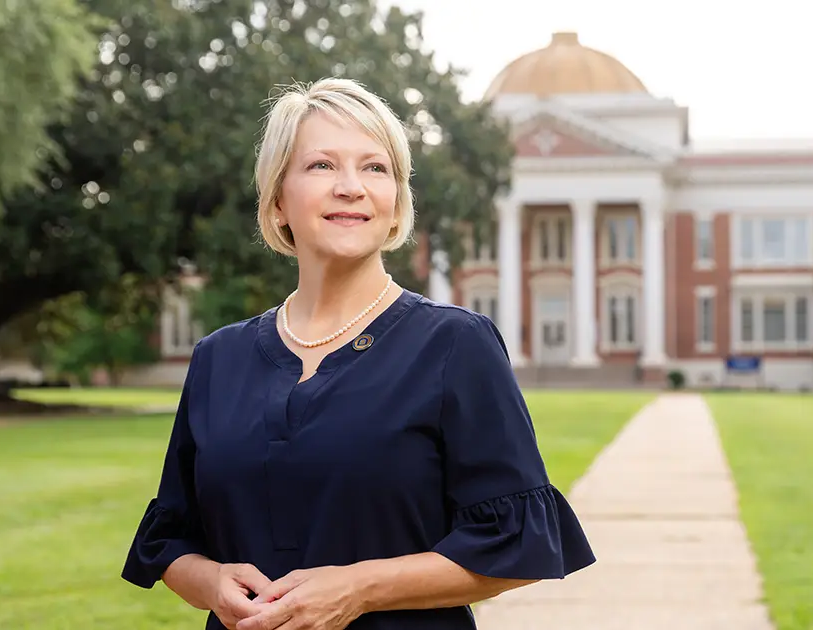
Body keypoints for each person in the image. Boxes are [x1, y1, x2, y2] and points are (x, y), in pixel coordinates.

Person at [120, 77, 596, 630]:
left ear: (396, 207)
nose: (351, 187)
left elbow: (516, 546)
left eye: (375, 168)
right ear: (278, 201)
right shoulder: (217, 359)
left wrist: (358, 589)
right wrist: (211, 582)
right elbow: (172, 538)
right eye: (322, 165)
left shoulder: (454, 345)